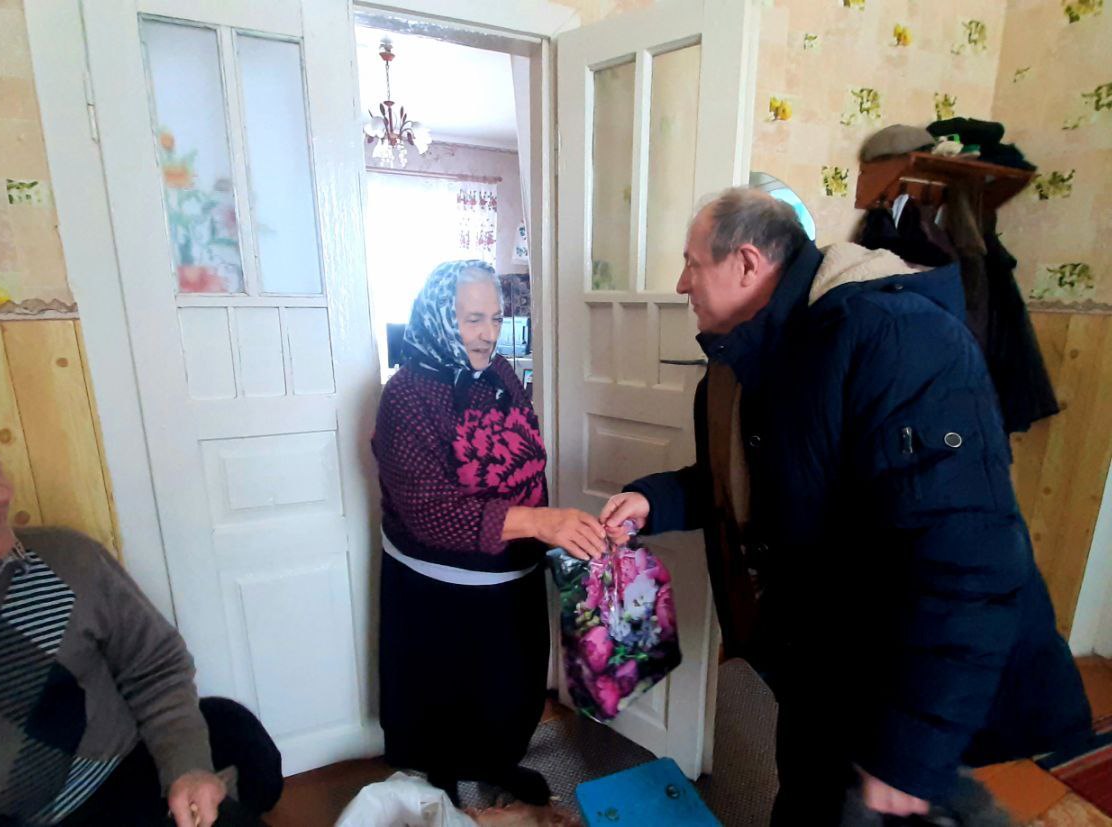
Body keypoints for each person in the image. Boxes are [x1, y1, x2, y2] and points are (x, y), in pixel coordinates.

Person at [600, 189, 1091, 823]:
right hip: (821, 664)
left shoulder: (897, 337)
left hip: (902, 680)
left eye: (693, 263)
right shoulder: (749, 357)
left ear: (746, 263)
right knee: (805, 801)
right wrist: (652, 500)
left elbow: (965, 553)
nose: (681, 283)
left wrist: (910, 749)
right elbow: (745, 480)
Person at [0, 417, 283, 826]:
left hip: (124, 787)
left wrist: (187, 768)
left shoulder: (67, 558)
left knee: (231, 730)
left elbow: (156, 668)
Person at [372, 260, 605, 807]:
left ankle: (500, 764)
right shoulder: (404, 396)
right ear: (439, 318)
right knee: (442, 693)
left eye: (496, 319)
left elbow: (528, 457)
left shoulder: (499, 373)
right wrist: (541, 522)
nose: (487, 334)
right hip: (436, 589)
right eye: (472, 319)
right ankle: (439, 781)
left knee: (509, 687)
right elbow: (430, 511)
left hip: (511, 573)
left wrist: (556, 536)